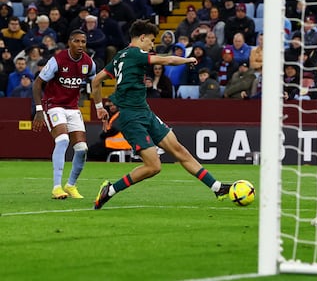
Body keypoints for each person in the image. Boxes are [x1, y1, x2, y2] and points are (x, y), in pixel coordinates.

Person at [91, 19, 232, 210]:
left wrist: (99, 106)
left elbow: (96, 81)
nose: (151, 45)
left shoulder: (119, 56)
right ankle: (111, 190)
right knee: (154, 166)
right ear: (141, 38)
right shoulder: (136, 53)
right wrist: (188, 59)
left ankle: (217, 187)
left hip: (145, 112)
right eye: (150, 41)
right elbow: (168, 59)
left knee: (179, 150)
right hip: (131, 118)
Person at [32, 29, 97, 199]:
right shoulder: (57, 60)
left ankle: (71, 185)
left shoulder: (89, 63)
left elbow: (95, 84)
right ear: (69, 42)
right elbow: (37, 83)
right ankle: (56, 187)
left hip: (72, 108)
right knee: (62, 140)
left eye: (83, 42)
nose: (81, 45)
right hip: (53, 105)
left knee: (82, 149)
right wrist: (39, 110)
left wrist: (99, 106)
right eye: (77, 41)